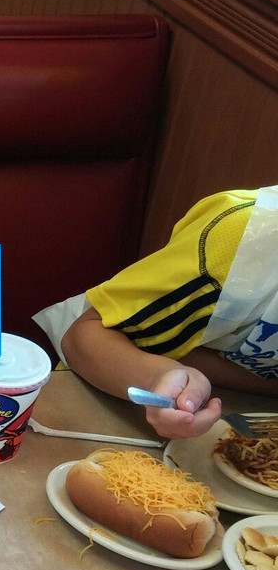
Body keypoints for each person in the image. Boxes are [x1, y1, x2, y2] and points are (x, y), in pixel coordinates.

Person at [34, 186, 278, 440]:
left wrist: (197, 376)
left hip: (224, 408)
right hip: (99, 400)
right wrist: (158, 377)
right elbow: (83, 336)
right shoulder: (243, 241)